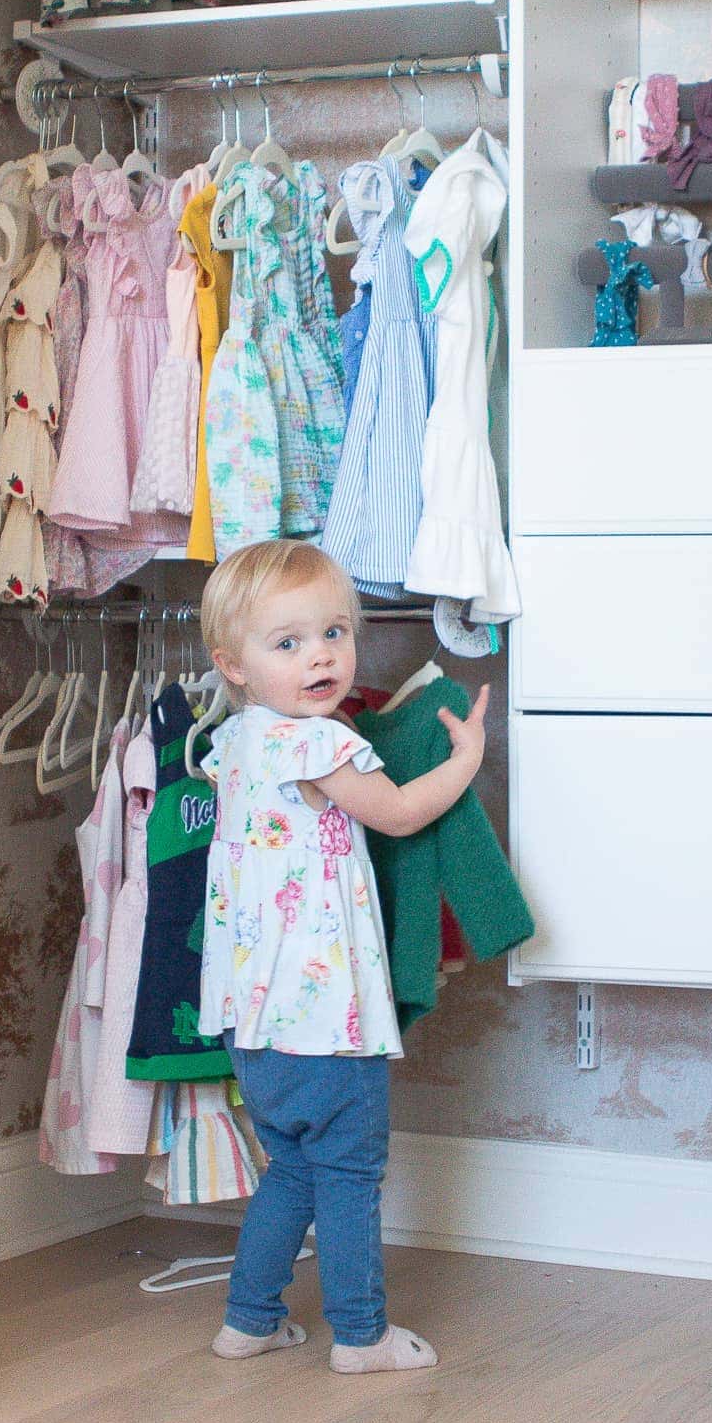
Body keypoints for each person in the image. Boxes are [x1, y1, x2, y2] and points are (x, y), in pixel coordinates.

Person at [196, 538, 488, 1372]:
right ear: (235, 664)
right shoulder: (319, 745)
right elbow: (396, 814)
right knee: (351, 1178)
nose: (319, 656)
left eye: (334, 633)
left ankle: (249, 1319)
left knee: (291, 1170)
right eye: (287, 644)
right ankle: (360, 1335)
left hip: (253, 1021)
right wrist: (465, 758)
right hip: (327, 1019)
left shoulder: (236, 746)